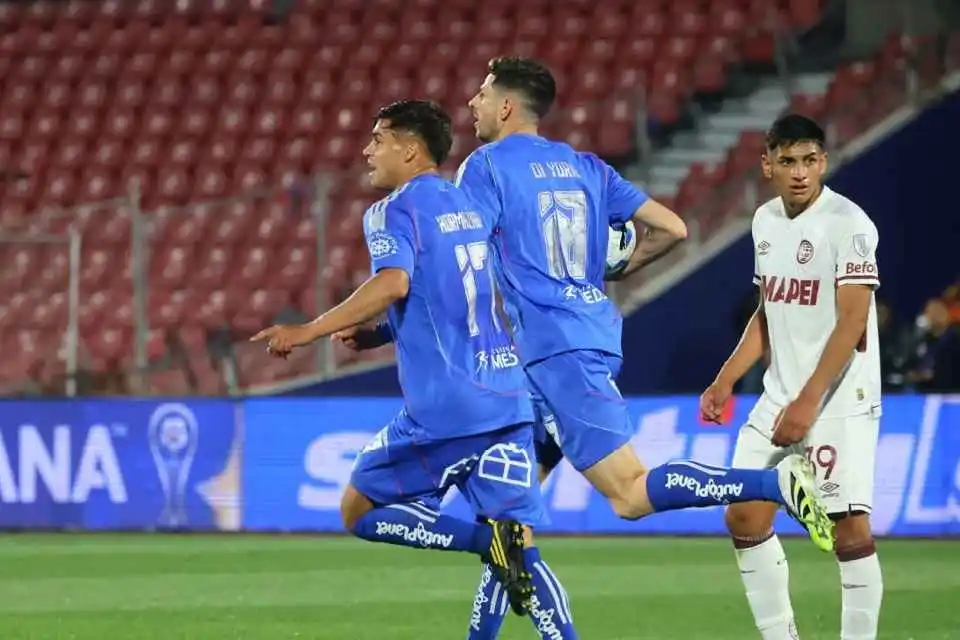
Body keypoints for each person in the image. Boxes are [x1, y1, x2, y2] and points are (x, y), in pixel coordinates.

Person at [452, 57, 835, 639]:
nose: (472, 105)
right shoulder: (585, 167)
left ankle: (773, 485)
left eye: (481, 94)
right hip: (583, 338)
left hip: (553, 351)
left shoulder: (484, 167)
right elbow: (674, 228)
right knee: (508, 518)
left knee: (630, 494)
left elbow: (465, 254)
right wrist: (617, 269)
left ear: (506, 106)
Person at [250, 100, 577, 623]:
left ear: (409, 148)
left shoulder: (392, 210)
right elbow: (459, 291)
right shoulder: (470, 204)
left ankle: (481, 539)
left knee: (357, 509)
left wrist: (309, 330)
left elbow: (394, 281)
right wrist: (383, 332)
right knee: (520, 551)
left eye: (378, 139)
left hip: (444, 410)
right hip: (507, 396)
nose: (367, 150)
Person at [701, 114, 884, 640]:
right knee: (743, 518)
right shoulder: (764, 222)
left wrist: (807, 403)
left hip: (838, 400)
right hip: (778, 396)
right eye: (788, 161)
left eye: (810, 160)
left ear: (823, 161)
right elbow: (768, 311)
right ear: (767, 165)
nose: (800, 172)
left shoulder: (848, 224)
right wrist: (726, 377)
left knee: (849, 532)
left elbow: (852, 322)